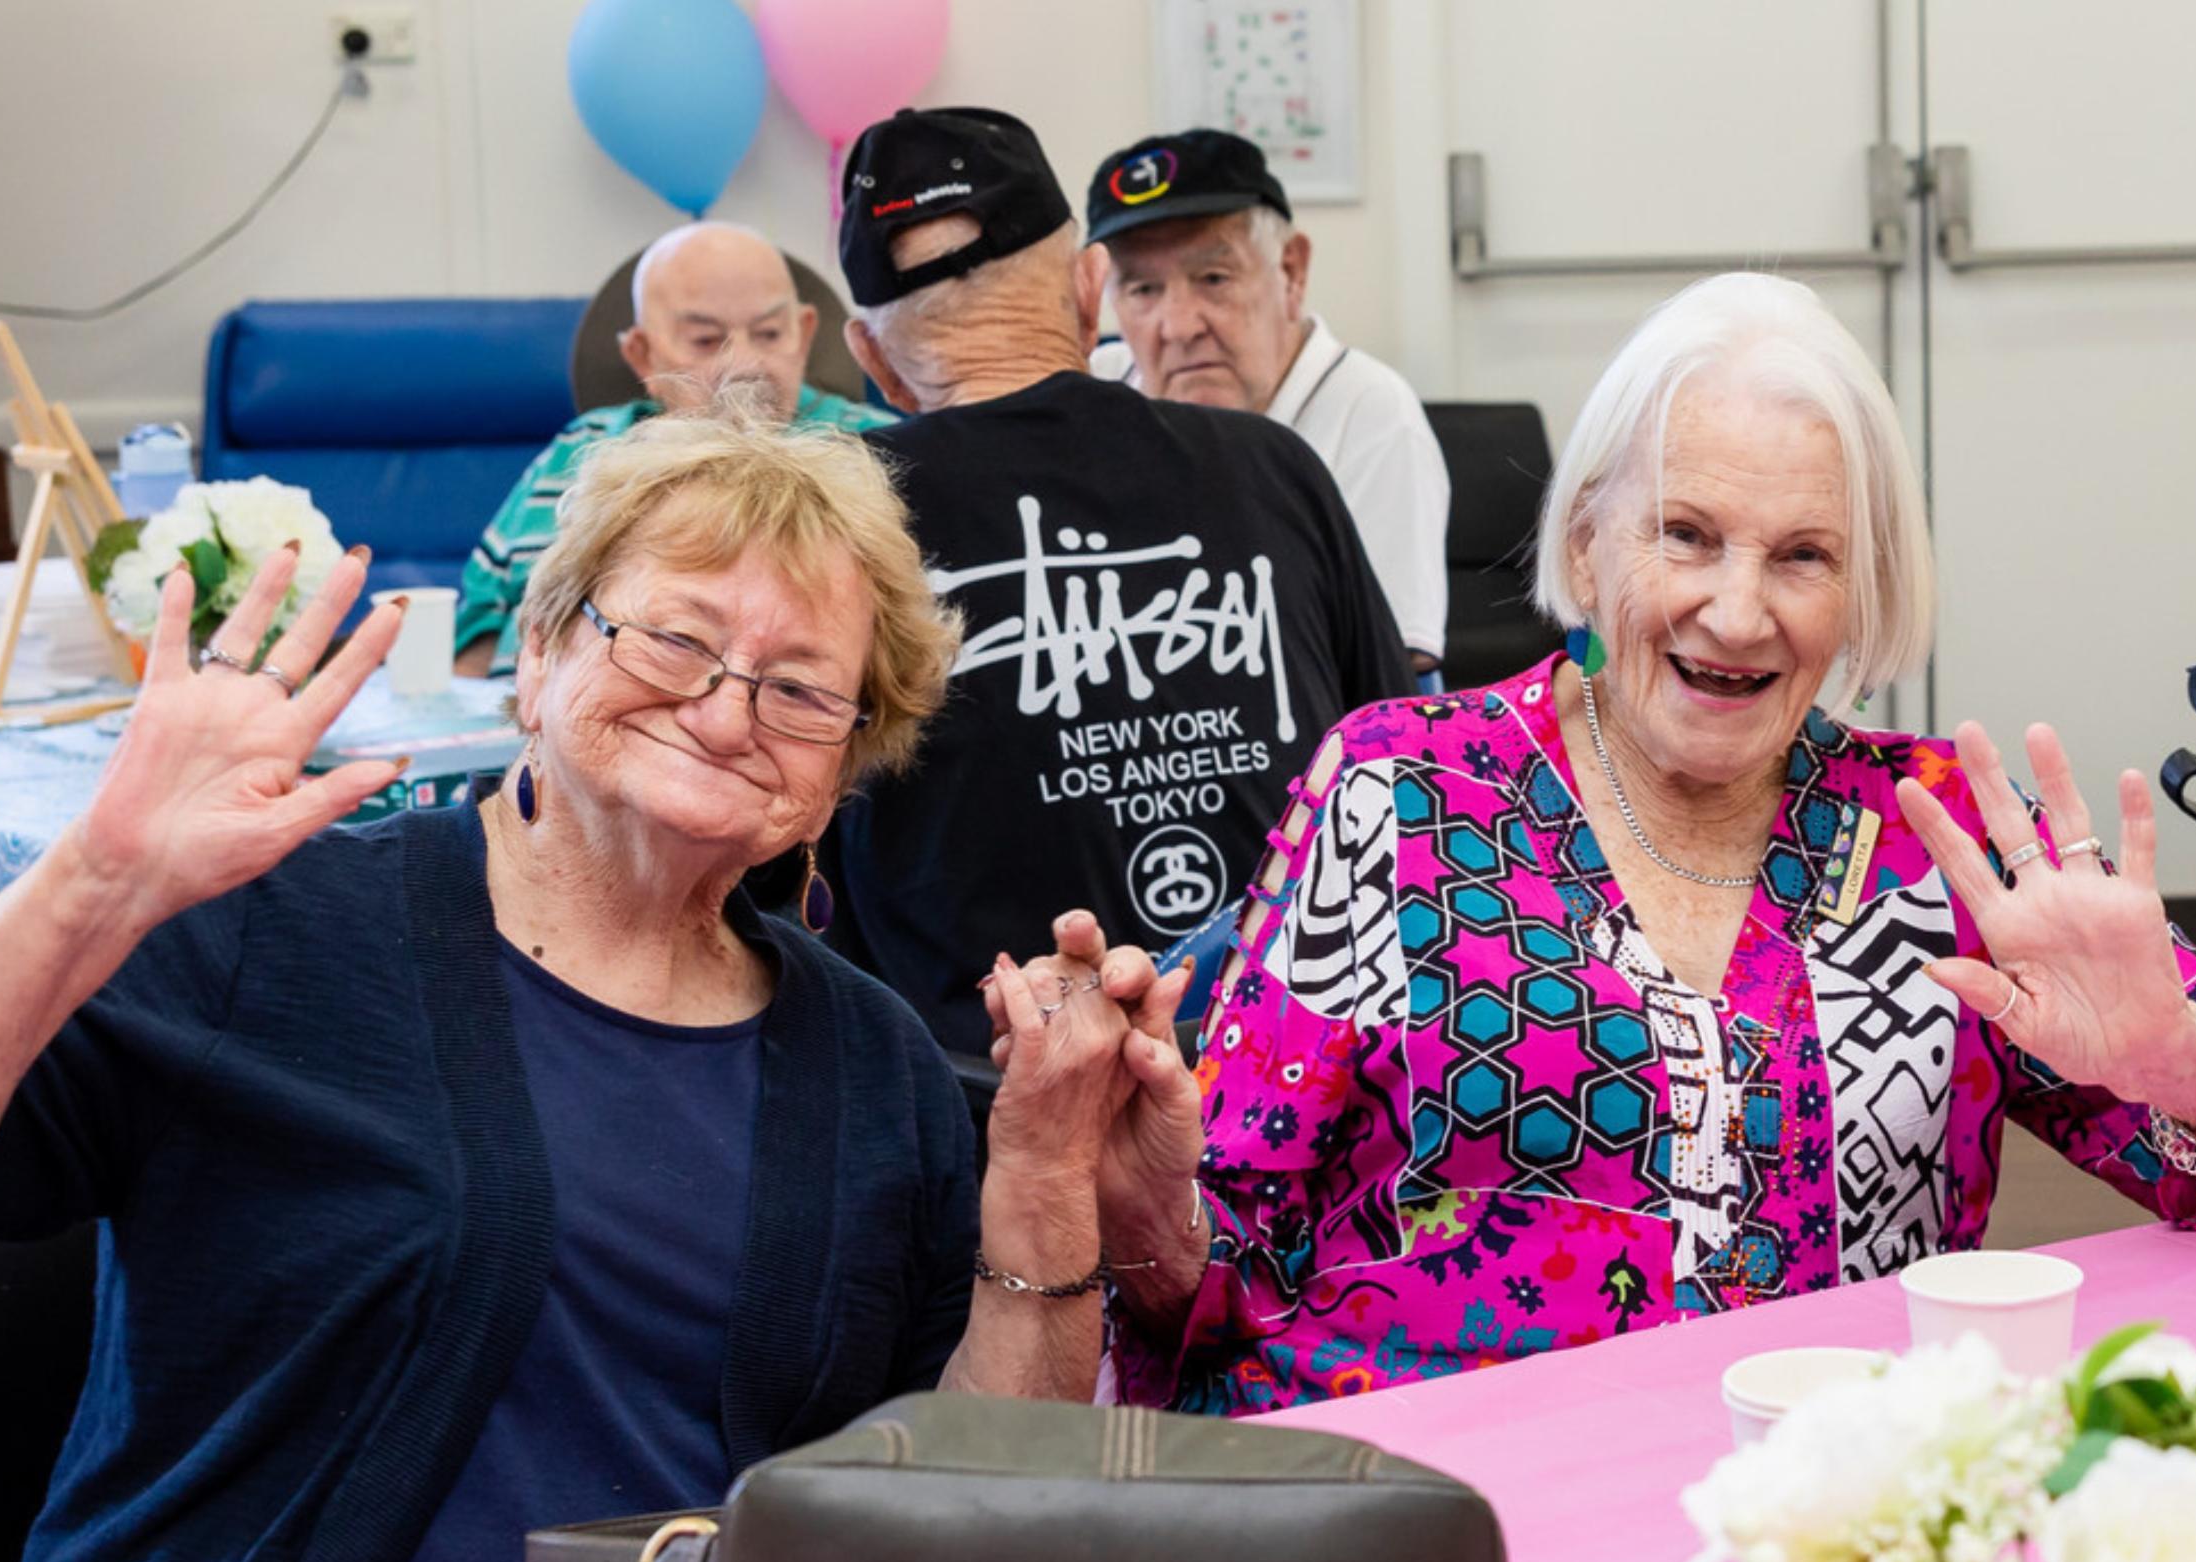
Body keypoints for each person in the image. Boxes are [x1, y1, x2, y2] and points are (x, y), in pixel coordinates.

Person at [0, 410, 1164, 1562]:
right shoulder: (267, 927)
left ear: (837, 779)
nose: (729, 710)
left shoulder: (872, 1065)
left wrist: (1042, 1167)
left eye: (801, 690)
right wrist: (95, 881)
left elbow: (969, 1497)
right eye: (674, 640)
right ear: (537, 657)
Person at [1031, 273, 2196, 1414]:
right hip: (1447, 1527)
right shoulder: (1401, 791)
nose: (1736, 614)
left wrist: (2183, 1062)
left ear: (1863, 587)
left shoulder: (1940, 841)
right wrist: (1130, 1207)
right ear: (1586, 537)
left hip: (1821, 1552)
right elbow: (1209, 1284)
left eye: (1800, 556)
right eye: (1685, 535)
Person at [827, 107, 1414, 1052]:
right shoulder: (1274, 463)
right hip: (1299, 1087)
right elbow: (1402, 768)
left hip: (984, 1119)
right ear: (1091, 289)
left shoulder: (831, 517)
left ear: (873, 359)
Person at [1083, 129, 1452, 681]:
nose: (1179, 326)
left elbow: (1395, 667)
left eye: (1213, 278)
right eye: (1142, 291)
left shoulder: (1371, 411)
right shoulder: (1097, 391)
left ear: (1291, 271)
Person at [455, 221, 900, 674]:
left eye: (769, 334)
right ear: (642, 355)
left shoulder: (879, 451)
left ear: (804, 334)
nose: (744, 363)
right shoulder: (580, 446)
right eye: (706, 341)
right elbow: (475, 633)